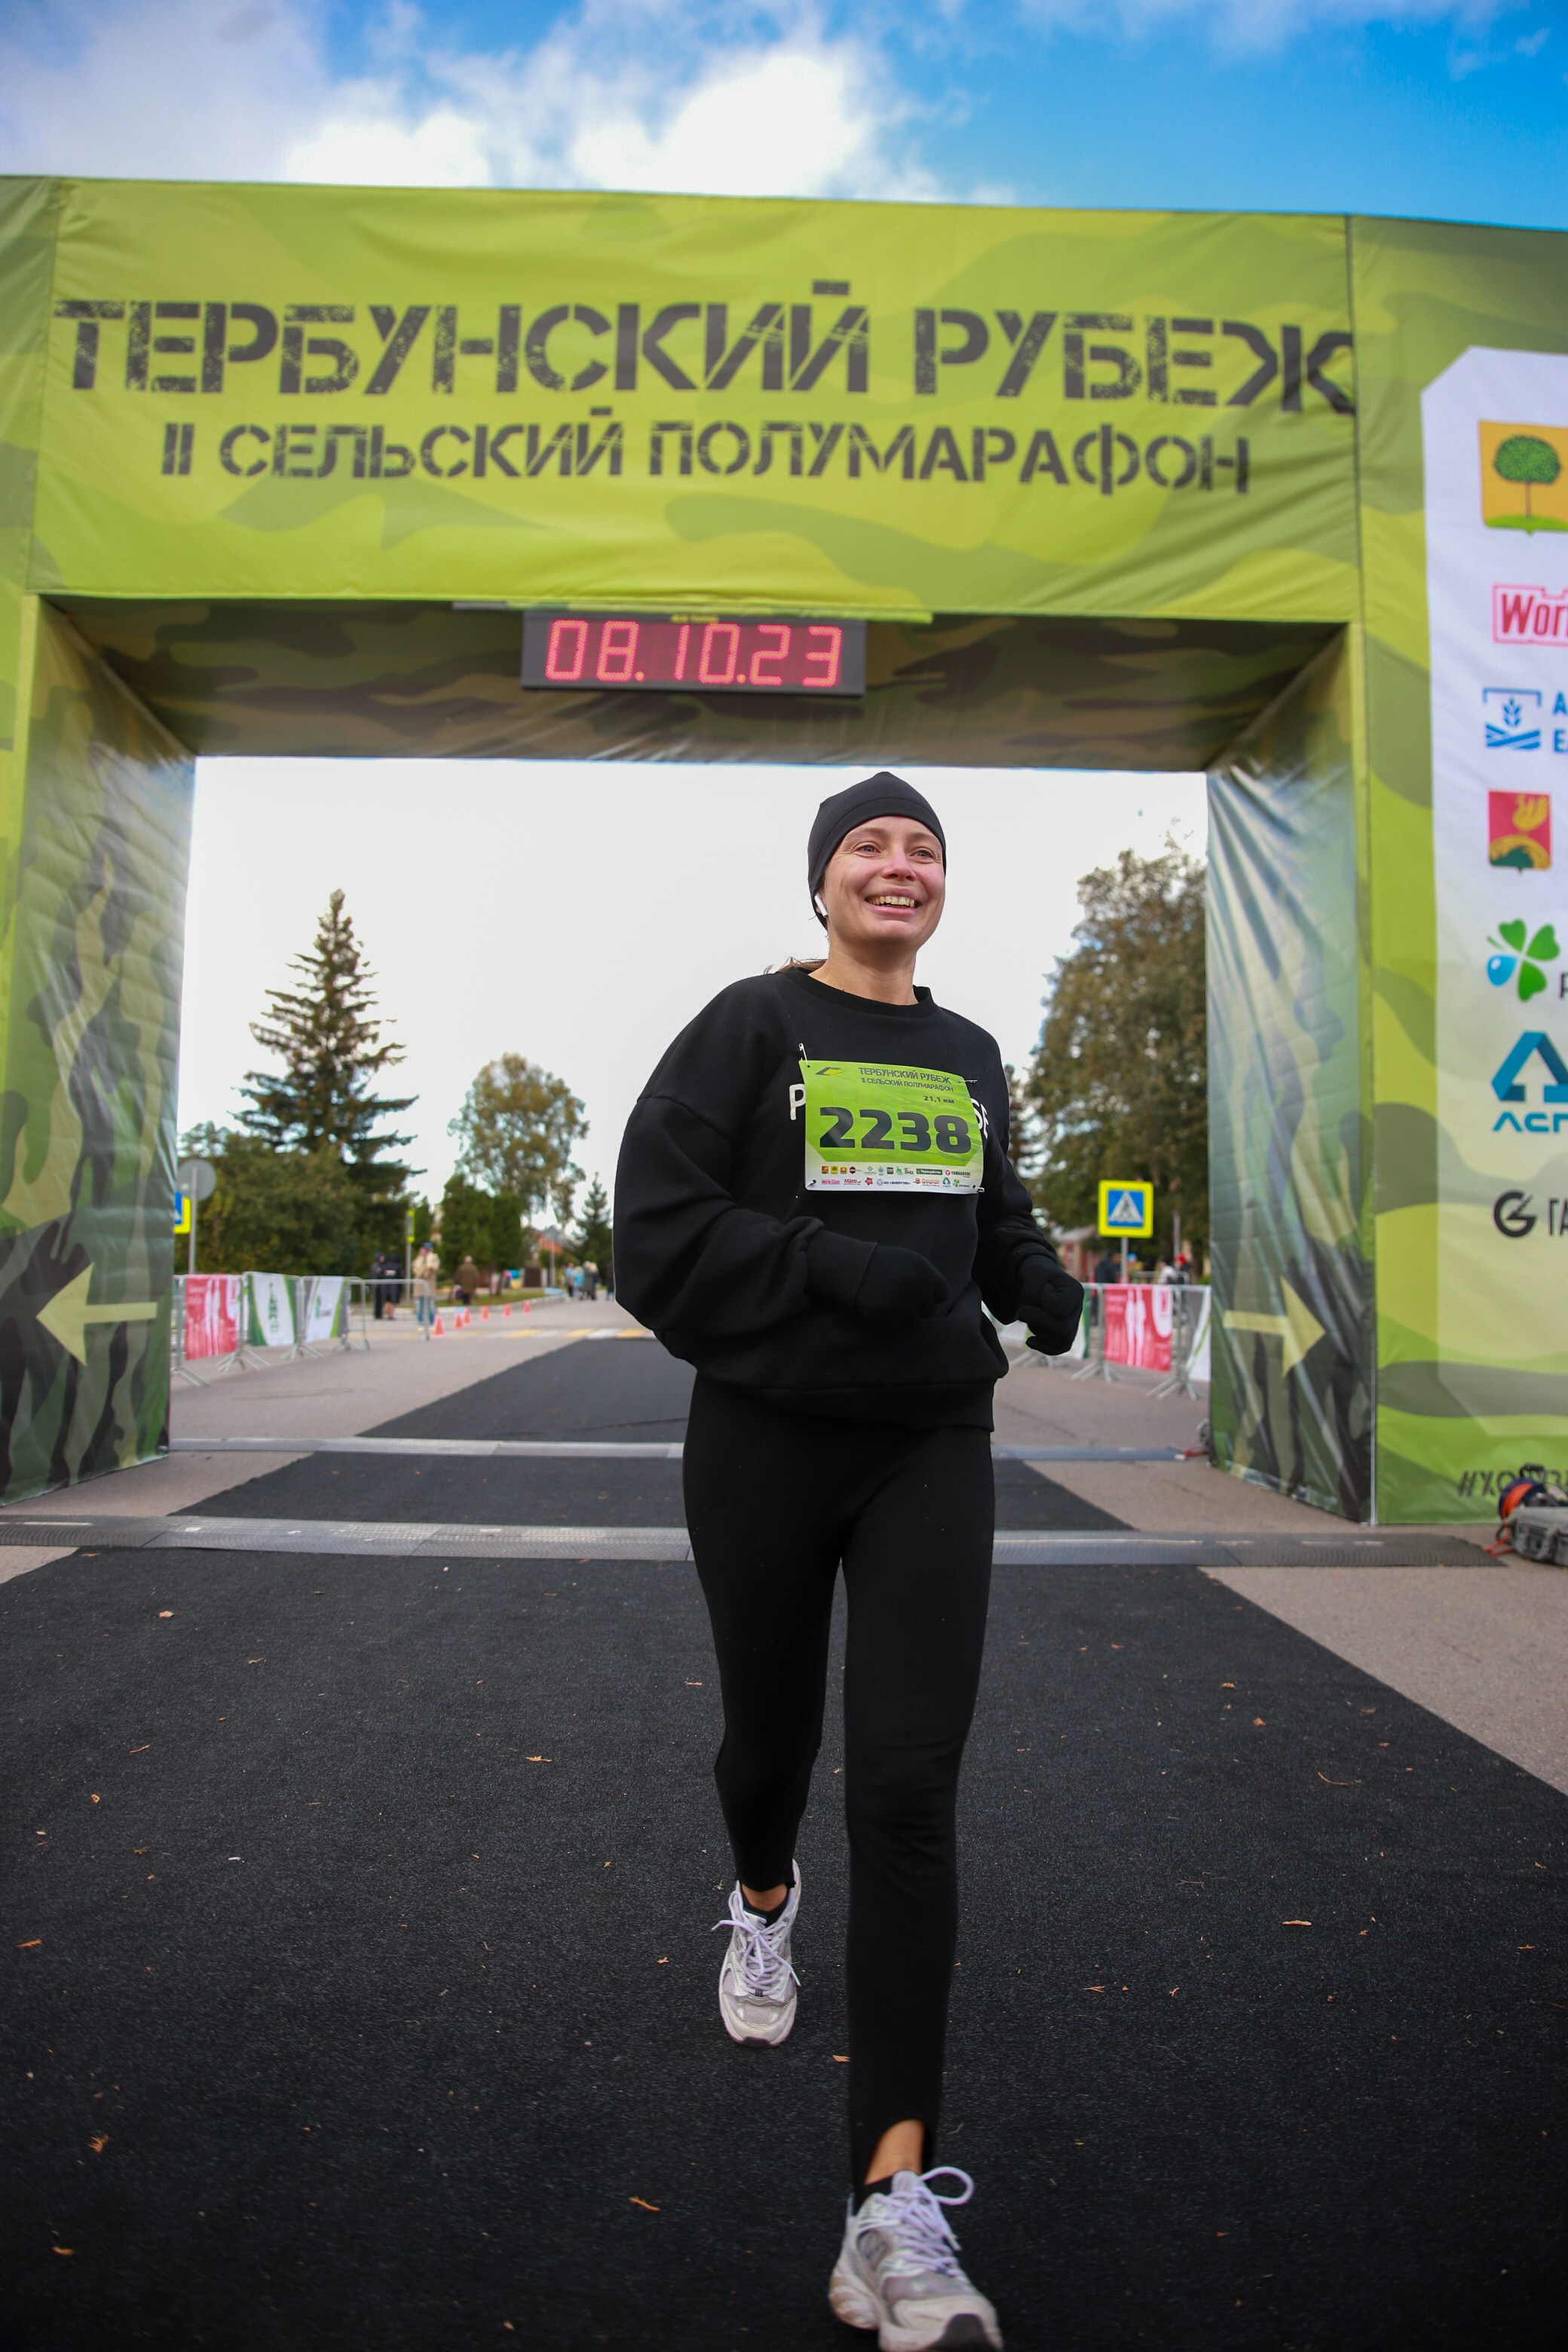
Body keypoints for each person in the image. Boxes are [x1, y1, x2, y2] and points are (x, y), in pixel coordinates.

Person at [614, 771, 1083, 2350]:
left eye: (924, 848)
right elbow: (656, 1230)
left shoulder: (966, 1055)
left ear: (942, 890)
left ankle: (890, 2205)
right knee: (769, 1745)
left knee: (903, 1788)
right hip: (761, 1438)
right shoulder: (748, 1029)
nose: (900, 864)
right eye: (869, 846)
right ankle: (759, 1896)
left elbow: (987, 1217)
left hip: (927, 1446)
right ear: (822, 883)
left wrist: (1032, 1270)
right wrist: (863, 1281)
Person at [411, 1242, 438, 1337]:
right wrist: (422, 1258)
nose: (427, 1251)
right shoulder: (418, 1259)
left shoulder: (434, 1258)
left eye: (428, 1249)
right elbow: (416, 1270)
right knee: (419, 1305)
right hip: (419, 1285)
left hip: (429, 1285)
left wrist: (428, 1260)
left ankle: (431, 1324)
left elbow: (433, 1268)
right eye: (425, 1249)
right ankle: (421, 1323)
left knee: (431, 1305)